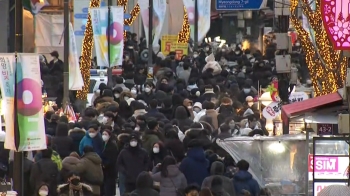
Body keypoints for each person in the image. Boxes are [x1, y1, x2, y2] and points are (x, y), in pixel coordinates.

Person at [101, 130, 119, 196]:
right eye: (103, 134)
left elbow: (113, 158)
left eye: (105, 134)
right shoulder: (102, 144)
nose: (104, 136)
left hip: (110, 169)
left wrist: (106, 164)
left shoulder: (113, 145)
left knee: (110, 186)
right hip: (103, 168)